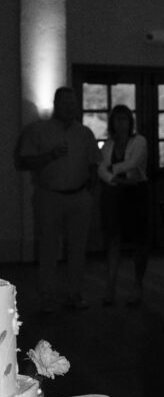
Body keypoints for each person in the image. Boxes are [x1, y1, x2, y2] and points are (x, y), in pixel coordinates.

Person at [16, 86, 100, 312]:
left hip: (79, 196)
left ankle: (75, 294)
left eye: (73, 102)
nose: (70, 106)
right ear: (56, 104)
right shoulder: (38, 131)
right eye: (65, 102)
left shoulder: (85, 133)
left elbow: (94, 164)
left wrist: (89, 193)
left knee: (77, 248)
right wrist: (49, 156)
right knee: (48, 248)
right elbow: (23, 162)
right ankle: (48, 297)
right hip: (49, 196)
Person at [97, 104, 149, 306]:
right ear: (112, 123)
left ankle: (138, 286)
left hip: (137, 194)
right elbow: (100, 169)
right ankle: (110, 286)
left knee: (139, 241)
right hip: (115, 193)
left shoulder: (139, 141)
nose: (121, 124)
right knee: (113, 239)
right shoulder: (108, 145)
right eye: (117, 119)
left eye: (124, 119)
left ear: (130, 122)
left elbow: (133, 163)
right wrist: (115, 180)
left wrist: (111, 169)